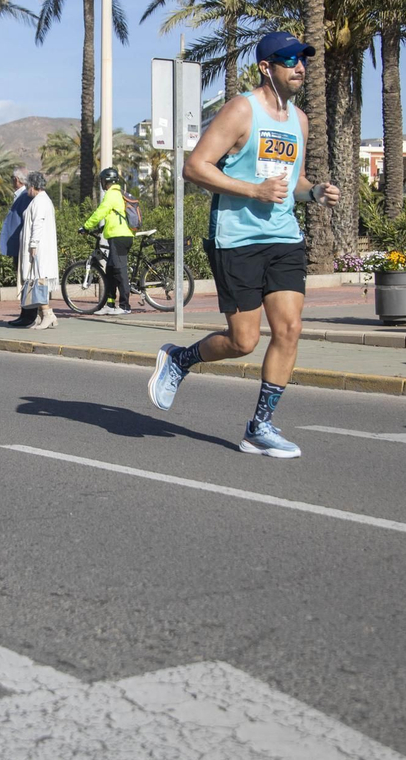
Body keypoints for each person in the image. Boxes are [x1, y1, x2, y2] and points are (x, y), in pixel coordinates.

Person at [146, 31, 340, 458]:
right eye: (288, 59)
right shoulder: (241, 111)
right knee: (243, 341)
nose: (299, 67)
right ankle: (180, 359)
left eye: (302, 59)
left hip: (284, 237)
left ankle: (260, 426)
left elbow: (293, 183)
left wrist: (314, 192)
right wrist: (253, 191)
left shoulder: (300, 121)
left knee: (289, 328)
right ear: (265, 68)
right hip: (236, 239)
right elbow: (194, 167)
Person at [84, 166, 135, 314]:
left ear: (106, 181)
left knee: (120, 271)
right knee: (111, 270)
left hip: (120, 237)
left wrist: (86, 226)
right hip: (117, 235)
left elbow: (100, 212)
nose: (101, 183)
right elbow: (113, 216)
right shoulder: (118, 193)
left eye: (101, 180)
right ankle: (110, 304)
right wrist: (101, 229)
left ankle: (125, 306)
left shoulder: (112, 194)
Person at [20, 171, 59, 330]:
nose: (27, 190)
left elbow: (38, 223)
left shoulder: (40, 201)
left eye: (28, 187)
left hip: (39, 249)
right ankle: (44, 316)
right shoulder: (41, 200)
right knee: (37, 280)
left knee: (39, 280)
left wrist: (33, 244)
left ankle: (47, 313)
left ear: (33, 186)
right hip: (39, 248)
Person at [0, 168, 36, 326]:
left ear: (17, 180)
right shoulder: (22, 196)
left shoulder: (25, 196)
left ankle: (28, 315)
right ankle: (25, 313)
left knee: (26, 279)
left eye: (12, 178)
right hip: (20, 245)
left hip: (24, 246)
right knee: (23, 280)